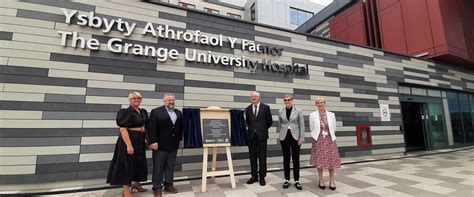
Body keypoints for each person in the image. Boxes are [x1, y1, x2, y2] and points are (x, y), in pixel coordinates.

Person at [107, 92, 148, 197]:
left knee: (139, 162)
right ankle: (126, 190)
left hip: (140, 141)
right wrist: (129, 145)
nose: (136, 100)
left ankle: (137, 184)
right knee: (127, 164)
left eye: (138, 98)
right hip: (128, 141)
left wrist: (146, 139)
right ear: (129, 100)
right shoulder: (125, 112)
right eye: (134, 98)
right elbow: (123, 129)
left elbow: (144, 127)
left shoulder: (143, 111)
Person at [148, 93, 183, 197]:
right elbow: (152, 128)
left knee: (170, 166)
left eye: (173, 100)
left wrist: (180, 140)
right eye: (169, 100)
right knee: (158, 167)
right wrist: (152, 142)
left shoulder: (178, 112)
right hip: (160, 145)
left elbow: (179, 128)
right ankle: (157, 187)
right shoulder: (156, 112)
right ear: (164, 101)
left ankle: (169, 185)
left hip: (173, 144)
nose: (171, 102)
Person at [309, 97, 341, 190]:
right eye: (318, 103)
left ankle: (332, 180)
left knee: (331, 160)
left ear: (325, 103)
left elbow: (333, 127)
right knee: (320, 161)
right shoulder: (312, 115)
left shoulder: (331, 114)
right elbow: (312, 128)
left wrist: (328, 134)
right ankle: (321, 180)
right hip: (318, 140)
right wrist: (317, 135)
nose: (320, 104)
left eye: (322, 102)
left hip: (330, 140)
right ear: (316, 104)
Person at [245, 91, 273, 186]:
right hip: (251, 136)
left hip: (262, 136)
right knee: (252, 157)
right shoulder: (248, 109)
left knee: (262, 157)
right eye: (252, 96)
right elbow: (248, 122)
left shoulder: (265, 107)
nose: (253, 98)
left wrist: (262, 129)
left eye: (255, 96)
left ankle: (262, 177)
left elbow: (270, 121)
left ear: (259, 98)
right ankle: (254, 176)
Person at [278, 94, 305, 190]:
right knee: (286, 159)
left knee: (295, 159)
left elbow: (302, 125)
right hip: (284, 137)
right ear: (284, 101)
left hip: (295, 137)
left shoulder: (298, 111)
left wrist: (301, 138)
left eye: (289, 100)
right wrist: (280, 135)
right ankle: (287, 180)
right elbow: (280, 124)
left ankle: (297, 180)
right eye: (285, 100)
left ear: (292, 100)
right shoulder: (280, 111)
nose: (287, 101)